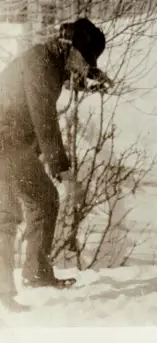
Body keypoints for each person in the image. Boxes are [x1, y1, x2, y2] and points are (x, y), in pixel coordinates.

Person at [0, 18, 106, 312]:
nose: (84, 66)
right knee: (5, 217)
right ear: (71, 49)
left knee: (44, 199)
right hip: (3, 144)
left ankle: (36, 272)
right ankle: (3, 292)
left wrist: (93, 77)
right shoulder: (41, 64)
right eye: (85, 59)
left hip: (15, 145)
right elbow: (44, 119)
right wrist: (63, 170)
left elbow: (70, 75)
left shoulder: (51, 58)